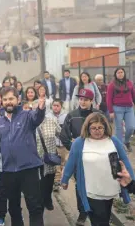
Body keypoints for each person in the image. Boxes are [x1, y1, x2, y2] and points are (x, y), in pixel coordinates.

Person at [61, 112, 134, 226]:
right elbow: (71, 162)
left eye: (100, 127)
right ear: (87, 128)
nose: (97, 130)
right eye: (93, 128)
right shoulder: (80, 143)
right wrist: (64, 180)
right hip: (91, 190)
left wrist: (131, 180)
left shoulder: (113, 141)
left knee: (104, 217)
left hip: (110, 189)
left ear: (105, 127)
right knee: (99, 220)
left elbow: (125, 161)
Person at [0, 87, 46, 226]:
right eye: (5, 99)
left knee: (35, 206)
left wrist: (41, 109)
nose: (8, 102)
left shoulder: (27, 116)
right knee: (13, 208)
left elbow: (37, 118)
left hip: (29, 169)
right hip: (8, 172)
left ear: (18, 100)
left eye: (11, 99)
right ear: (1, 101)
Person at [60, 88, 101, 225]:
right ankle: (82, 213)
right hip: (80, 159)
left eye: (86, 100)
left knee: (96, 183)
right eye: (81, 99)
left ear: (91, 101)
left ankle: (96, 210)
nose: (82, 102)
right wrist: (74, 150)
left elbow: (107, 133)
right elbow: (64, 135)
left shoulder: (98, 115)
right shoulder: (72, 115)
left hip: (97, 157)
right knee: (80, 185)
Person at [106, 67, 135, 152]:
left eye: (121, 72)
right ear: (115, 74)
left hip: (129, 108)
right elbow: (109, 99)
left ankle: (126, 142)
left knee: (131, 127)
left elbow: (133, 94)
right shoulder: (112, 85)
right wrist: (111, 111)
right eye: (118, 73)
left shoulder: (129, 83)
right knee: (119, 128)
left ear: (124, 73)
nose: (120, 74)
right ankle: (120, 147)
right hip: (117, 108)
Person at [46, 99, 68, 191]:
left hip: (63, 144)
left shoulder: (66, 116)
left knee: (62, 163)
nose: (55, 107)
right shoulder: (48, 116)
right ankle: (56, 182)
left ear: (61, 106)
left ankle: (58, 179)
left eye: (57, 105)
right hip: (52, 144)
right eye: (54, 105)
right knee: (56, 164)